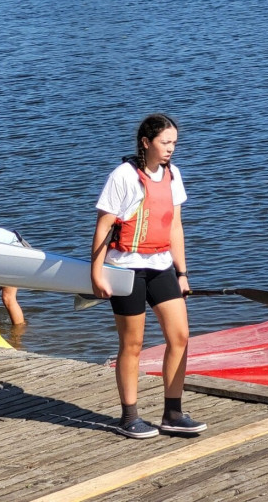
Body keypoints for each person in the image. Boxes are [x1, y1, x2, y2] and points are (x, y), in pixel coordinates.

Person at [90, 113, 206, 439]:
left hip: (160, 265)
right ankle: (129, 417)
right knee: (133, 343)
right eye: (165, 143)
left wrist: (182, 273)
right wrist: (96, 274)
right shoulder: (123, 177)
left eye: (174, 143)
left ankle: (173, 413)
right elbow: (102, 227)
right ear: (146, 142)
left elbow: (174, 226)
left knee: (180, 336)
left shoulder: (173, 175)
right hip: (125, 268)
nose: (171, 149)